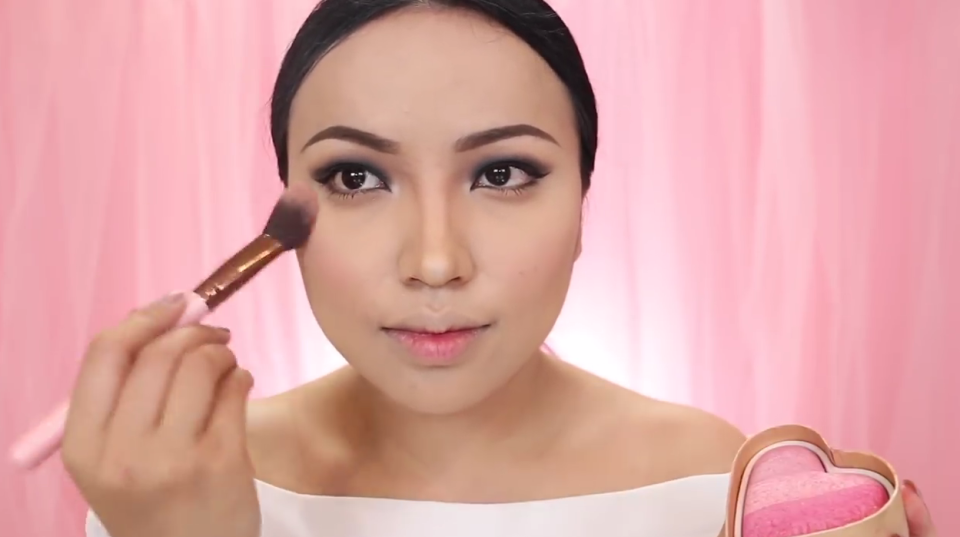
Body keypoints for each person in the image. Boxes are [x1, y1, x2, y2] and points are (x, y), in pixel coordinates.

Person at [62, 1, 938, 536]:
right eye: (356, 177)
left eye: (502, 172)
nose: (435, 262)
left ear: (583, 201)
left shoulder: (714, 485)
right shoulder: (175, 485)